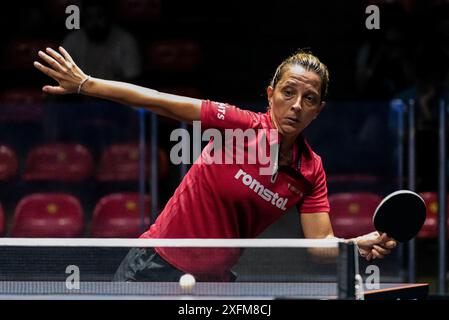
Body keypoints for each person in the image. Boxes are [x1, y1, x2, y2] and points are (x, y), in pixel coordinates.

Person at [34, 47, 397, 282]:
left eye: (309, 98)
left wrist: (352, 246)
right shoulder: (236, 124)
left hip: (214, 283)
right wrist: (85, 83)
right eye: (288, 92)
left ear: (319, 110)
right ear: (270, 95)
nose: (297, 105)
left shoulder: (310, 170)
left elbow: (320, 246)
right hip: (154, 266)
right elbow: (161, 101)